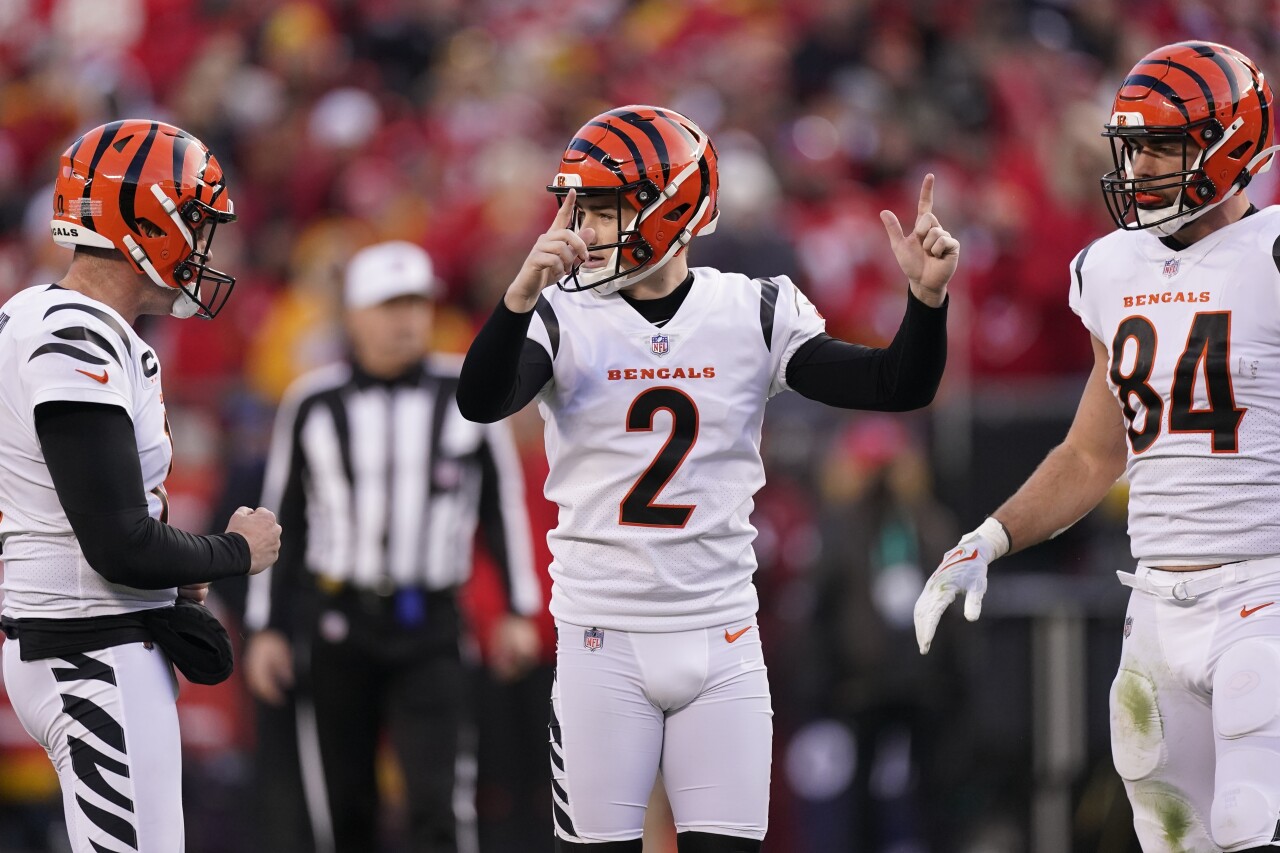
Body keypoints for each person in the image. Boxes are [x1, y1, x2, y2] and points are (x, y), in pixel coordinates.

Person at [456, 104, 958, 852]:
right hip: (602, 638)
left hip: (721, 634)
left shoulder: (750, 310)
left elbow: (896, 384)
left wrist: (925, 303)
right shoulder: (561, 314)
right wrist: (519, 295)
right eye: (581, 209)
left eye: (602, 208)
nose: (583, 230)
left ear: (673, 205)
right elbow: (482, 397)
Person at [913, 40, 1280, 853]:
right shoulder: (1111, 267)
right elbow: (1090, 453)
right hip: (1151, 603)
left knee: (1253, 822)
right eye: (1135, 145)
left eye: (1164, 144)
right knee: (1174, 838)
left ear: (1235, 147)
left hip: (1264, 591)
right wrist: (990, 536)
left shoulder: (1272, 257)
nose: (1141, 165)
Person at [0, 119, 282, 853]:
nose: (203, 243)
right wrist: (233, 550)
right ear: (143, 220)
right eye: (193, 221)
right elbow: (118, 543)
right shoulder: (73, 334)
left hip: (80, 639)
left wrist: (178, 572)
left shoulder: (60, 322)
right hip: (90, 645)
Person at [242, 240, 543, 853]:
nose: (405, 320)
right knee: (345, 805)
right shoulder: (312, 402)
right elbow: (282, 523)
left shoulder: (469, 390)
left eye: (416, 304)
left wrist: (518, 609)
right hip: (335, 623)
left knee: (439, 803)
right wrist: (267, 627)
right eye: (388, 306)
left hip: (431, 621)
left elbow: (499, 505)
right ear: (353, 316)